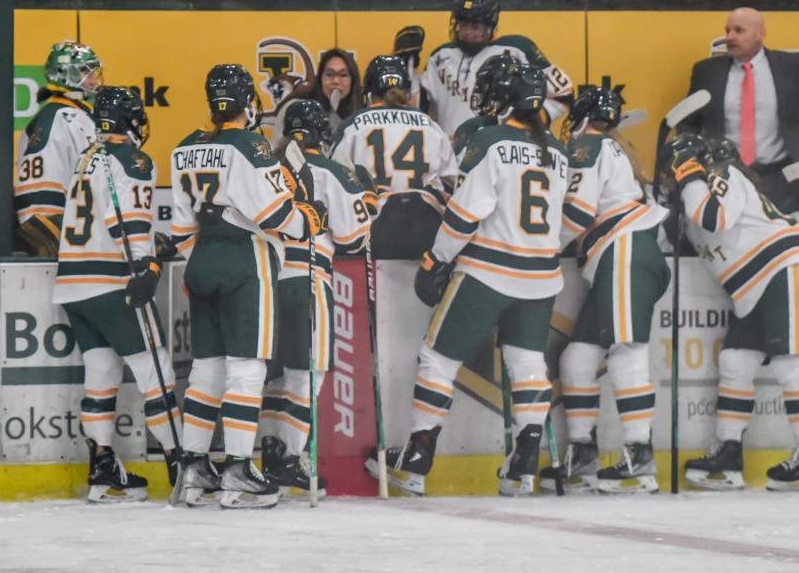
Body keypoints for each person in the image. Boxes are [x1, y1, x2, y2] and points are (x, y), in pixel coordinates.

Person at [364, 64, 569, 496]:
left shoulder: (490, 141)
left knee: (438, 359)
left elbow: (464, 212)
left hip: (487, 273)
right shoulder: (557, 150)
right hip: (541, 276)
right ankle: (524, 463)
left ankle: (418, 456)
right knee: (528, 365)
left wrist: (435, 259)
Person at [170, 64, 325, 509]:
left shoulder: (184, 148)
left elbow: (182, 228)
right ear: (246, 102)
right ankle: (237, 470)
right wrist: (309, 219)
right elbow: (277, 215)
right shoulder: (251, 145)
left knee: (205, 370)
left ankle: (195, 469)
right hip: (246, 260)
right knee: (246, 370)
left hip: (201, 261)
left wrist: (202, 260)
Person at [660, 133, 799, 492]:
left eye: (674, 169)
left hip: (786, 271)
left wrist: (690, 175)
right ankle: (729, 451)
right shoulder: (693, 199)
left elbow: (713, 217)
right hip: (753, 289)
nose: (670, 177)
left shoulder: (723, 175)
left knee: (792, 366)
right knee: (735, 362)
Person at [51, 86, 181, 503]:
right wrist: (148, 264)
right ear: (129, 120)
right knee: (156, 372)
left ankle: (102, 467)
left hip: (72, 282)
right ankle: (182, 464)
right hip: (112, 281)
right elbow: (126, 224)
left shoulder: (87, 157)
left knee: (101, 374)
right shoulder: (134, 158)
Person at [538, 87, 671, 494]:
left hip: (625, 252)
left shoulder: (589, 145)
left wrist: (544, 249)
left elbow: (577, 212)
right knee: (578, 356)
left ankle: (639, 456)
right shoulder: (613, 148)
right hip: (622, 254)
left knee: (626, 351)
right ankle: (583, 451)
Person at [259, 99, 375, 497]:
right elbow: (352, 239)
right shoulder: (332, 170)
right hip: (309, 275)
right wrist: (368, 201)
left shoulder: (268, 166)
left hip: (265, 278)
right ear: (323, 135)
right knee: (307, 373)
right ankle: (292, 457)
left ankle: (271, 453)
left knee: (271, 374)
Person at [678, 7, 799, 212]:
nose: (730, 37)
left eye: (738, 30)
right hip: (726, 176)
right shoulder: (707, 72)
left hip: (783, 177)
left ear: (760, 33)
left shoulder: (793, 67)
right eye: (727, 30)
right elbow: (688, 122)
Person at [331, 55, 456, 260]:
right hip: (425, 234)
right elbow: (451, 187)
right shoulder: (431, 126)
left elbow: (335, 182)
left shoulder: (354, 125)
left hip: (371, 234)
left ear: (369, 93)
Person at [419, 0, 573, 137]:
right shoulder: (440, 56)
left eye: (475, 27)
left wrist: (532, 121)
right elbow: (422, 109)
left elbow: (563, 92)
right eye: (463, 24)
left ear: (491, 25)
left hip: (499, 149)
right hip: (451, 153)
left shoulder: (517, 49)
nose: (468, 33)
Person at [15, 40, 102, 256]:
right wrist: (53, 237)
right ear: (65, 74)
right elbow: (40, 210)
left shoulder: (75, 116)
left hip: (83, 240)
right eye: (85, 71)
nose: (93, 78)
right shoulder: (58, 120)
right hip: (69, 248)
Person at [451, 53, 522, 164]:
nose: (479, 90)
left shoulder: (475, 128)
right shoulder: (534, 132)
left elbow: (458, 173)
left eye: (483, 85)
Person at [306, 49, 362, 134]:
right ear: (320, 78)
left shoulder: (364, 117)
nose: (336, 81)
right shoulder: (307, 114)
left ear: (353, 80)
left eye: (343, 75)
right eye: (329, 74)